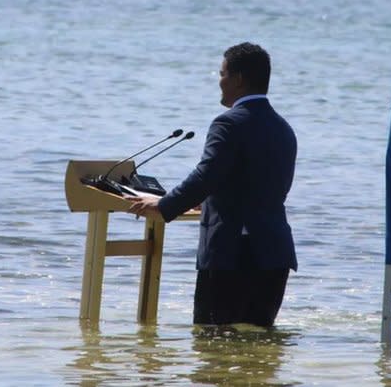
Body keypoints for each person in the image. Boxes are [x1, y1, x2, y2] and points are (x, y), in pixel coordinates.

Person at [126, 42, 298, 328]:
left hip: (233, 255)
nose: (219, 81)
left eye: (222, 74)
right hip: (274, 255)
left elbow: (206, 175)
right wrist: (209, 200)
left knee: (212, 351)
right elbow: (262, 186)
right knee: (257, 356)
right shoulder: (283, 127)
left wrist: (164, 205)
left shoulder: (228, 123)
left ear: (238, 79)